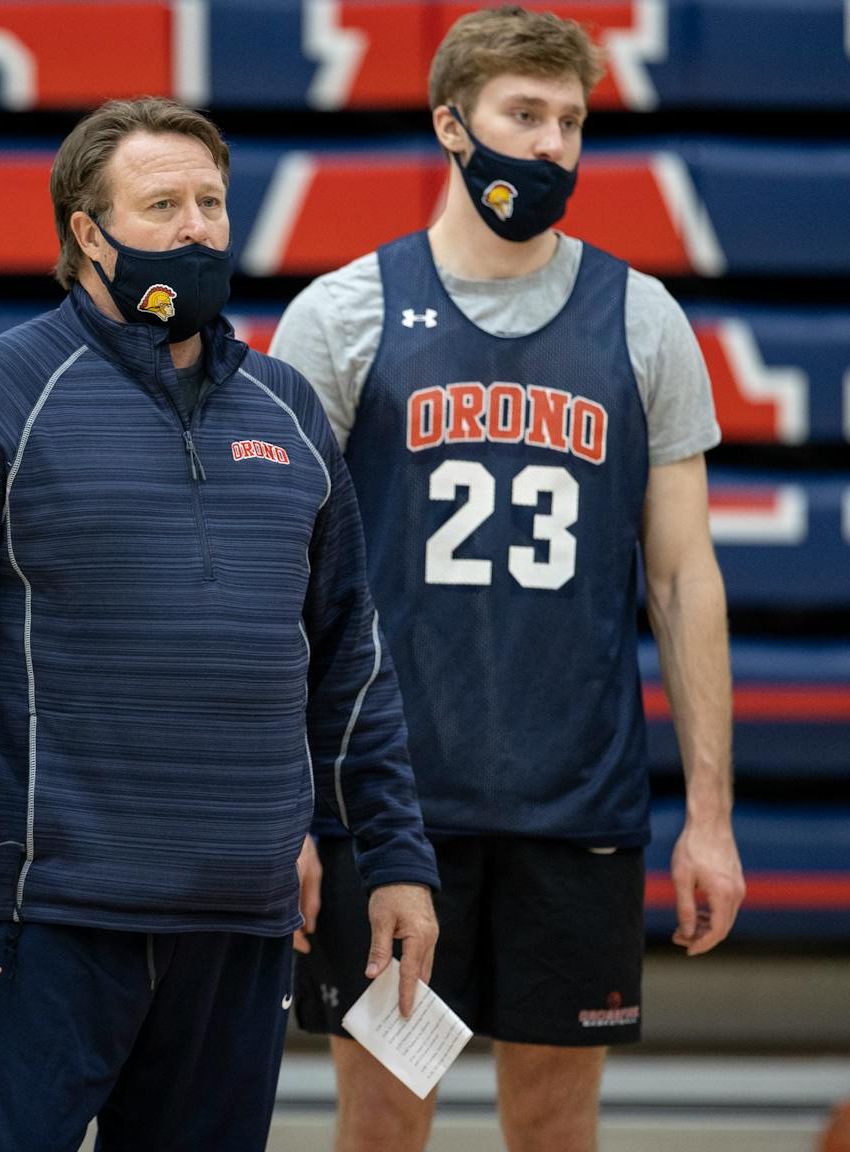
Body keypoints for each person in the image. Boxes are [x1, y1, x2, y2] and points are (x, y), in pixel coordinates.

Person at [0, 96, 439, 1152]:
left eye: (210, 203)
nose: (194, 227)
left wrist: (395, 859)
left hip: (239, 920)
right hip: (49, 919)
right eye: (161, 203)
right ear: (88, 233)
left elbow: (349, 662)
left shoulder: (287, 409)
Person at [270, 8, 747, 1151]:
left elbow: (682, 582)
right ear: (449, 124)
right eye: (520, 115)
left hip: (570, 808)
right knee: (384, 1118)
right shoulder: (341, 314)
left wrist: (711, 820)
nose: (547, 145)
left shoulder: (639, 318)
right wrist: (280, 806)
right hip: (387, 814)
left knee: (551, 1120)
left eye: (568, 122)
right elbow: (274, 581)